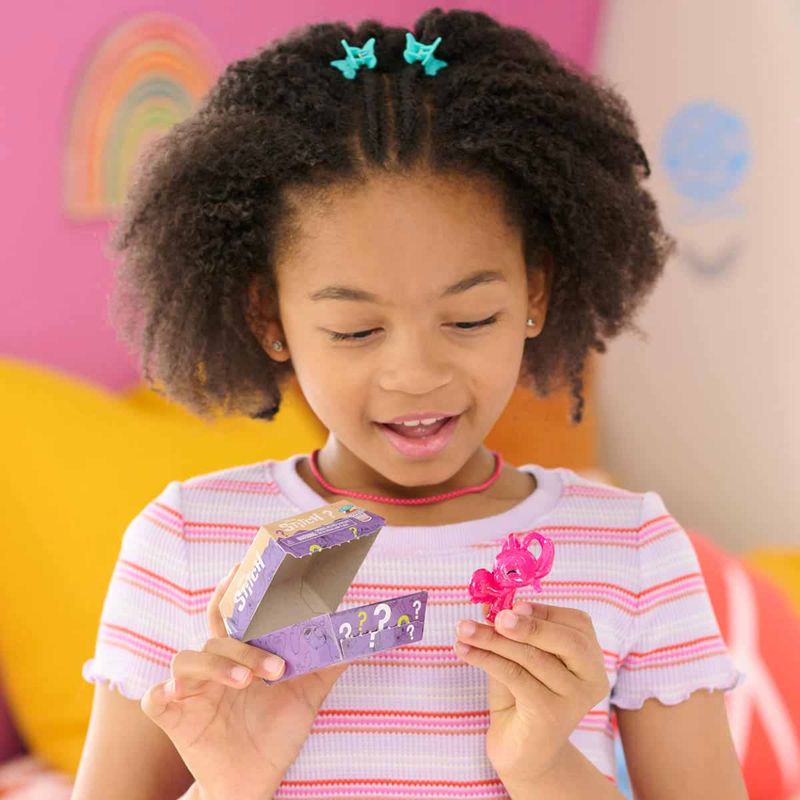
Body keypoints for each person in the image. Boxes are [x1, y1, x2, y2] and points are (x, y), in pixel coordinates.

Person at [71, 8, 748, 800]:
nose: (417, 375)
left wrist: (547, 768)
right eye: (356, 331)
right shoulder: (184, 543)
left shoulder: (632, 550)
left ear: (535, 293)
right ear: (268, 316)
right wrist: (230, 782)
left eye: (470, 319)